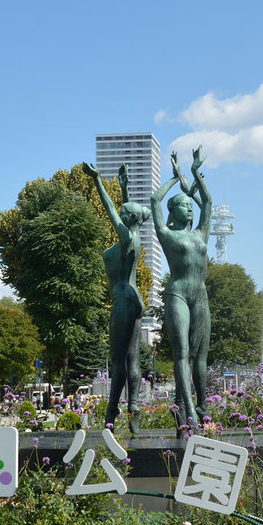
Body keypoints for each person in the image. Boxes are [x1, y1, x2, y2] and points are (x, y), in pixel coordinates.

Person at [84, 162, 153, 434]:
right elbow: (124, 211)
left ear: (129, 219)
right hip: (132, 299)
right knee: (131, 360)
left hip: (123, 300)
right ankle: (133, 410)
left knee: (118, 362)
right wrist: (125, 189)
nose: (120, 212)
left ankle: (111, 416)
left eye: (125, 212)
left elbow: (112, 211)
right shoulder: (132, 237)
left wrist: (98, 180)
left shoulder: (127, 237)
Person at [151, 147, 212, 434]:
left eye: (190, 205)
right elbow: (154, 199)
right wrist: (175, 178)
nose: (189, 207)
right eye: (183, 204)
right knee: (182, 354)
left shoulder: (200, 233)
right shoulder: (167, 234)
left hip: (200, 296)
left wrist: (194, 173)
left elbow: (208, 201)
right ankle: (189, 413)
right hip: (177, 295)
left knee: (200, 357)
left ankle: (202, 407)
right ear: (172, 212)